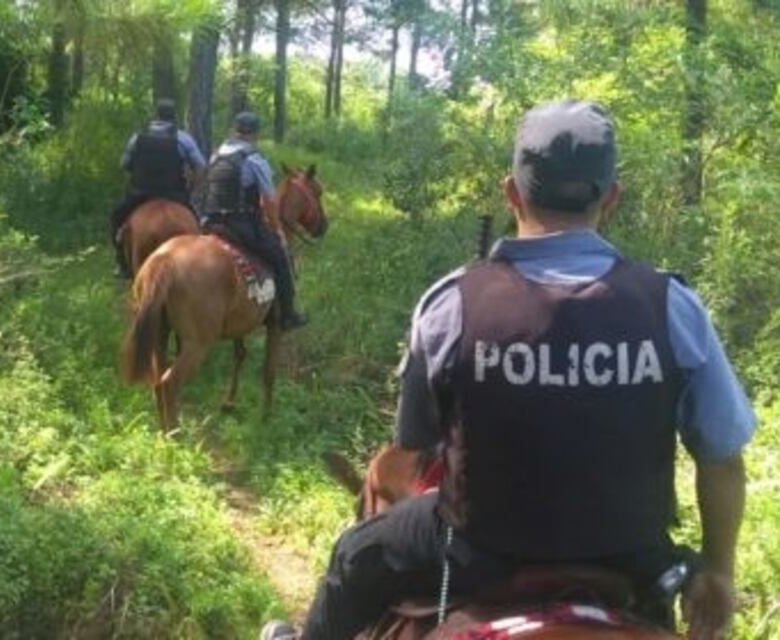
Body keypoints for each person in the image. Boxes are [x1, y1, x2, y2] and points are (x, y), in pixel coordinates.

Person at [261, 100, 755, 640]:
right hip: (634, 564)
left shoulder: (452, 302)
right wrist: (720, 572)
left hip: (478, 557)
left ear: (511, 192)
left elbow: (411, 445)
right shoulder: (672, 306)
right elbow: (723, 460)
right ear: (611, 198)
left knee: (354, 556)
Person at [203, 111, 308, 331]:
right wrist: (278, 229)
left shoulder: (216, 154)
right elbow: (269, 200)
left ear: (235, 129)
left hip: (210, 222)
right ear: (255, 133)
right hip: (240, 224)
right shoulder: (254, 158)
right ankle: (287, 314)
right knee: (280, 257)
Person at [110, 98, 206, 278]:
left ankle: (121, 262)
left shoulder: (137, 137)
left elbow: (124, 164)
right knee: (199, 223)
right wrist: (192, 189)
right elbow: (200, 166)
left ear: (156, 115)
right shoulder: (183, 138)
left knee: (117, 217)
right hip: (174, 194)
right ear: (174, 117)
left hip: (140, 194)